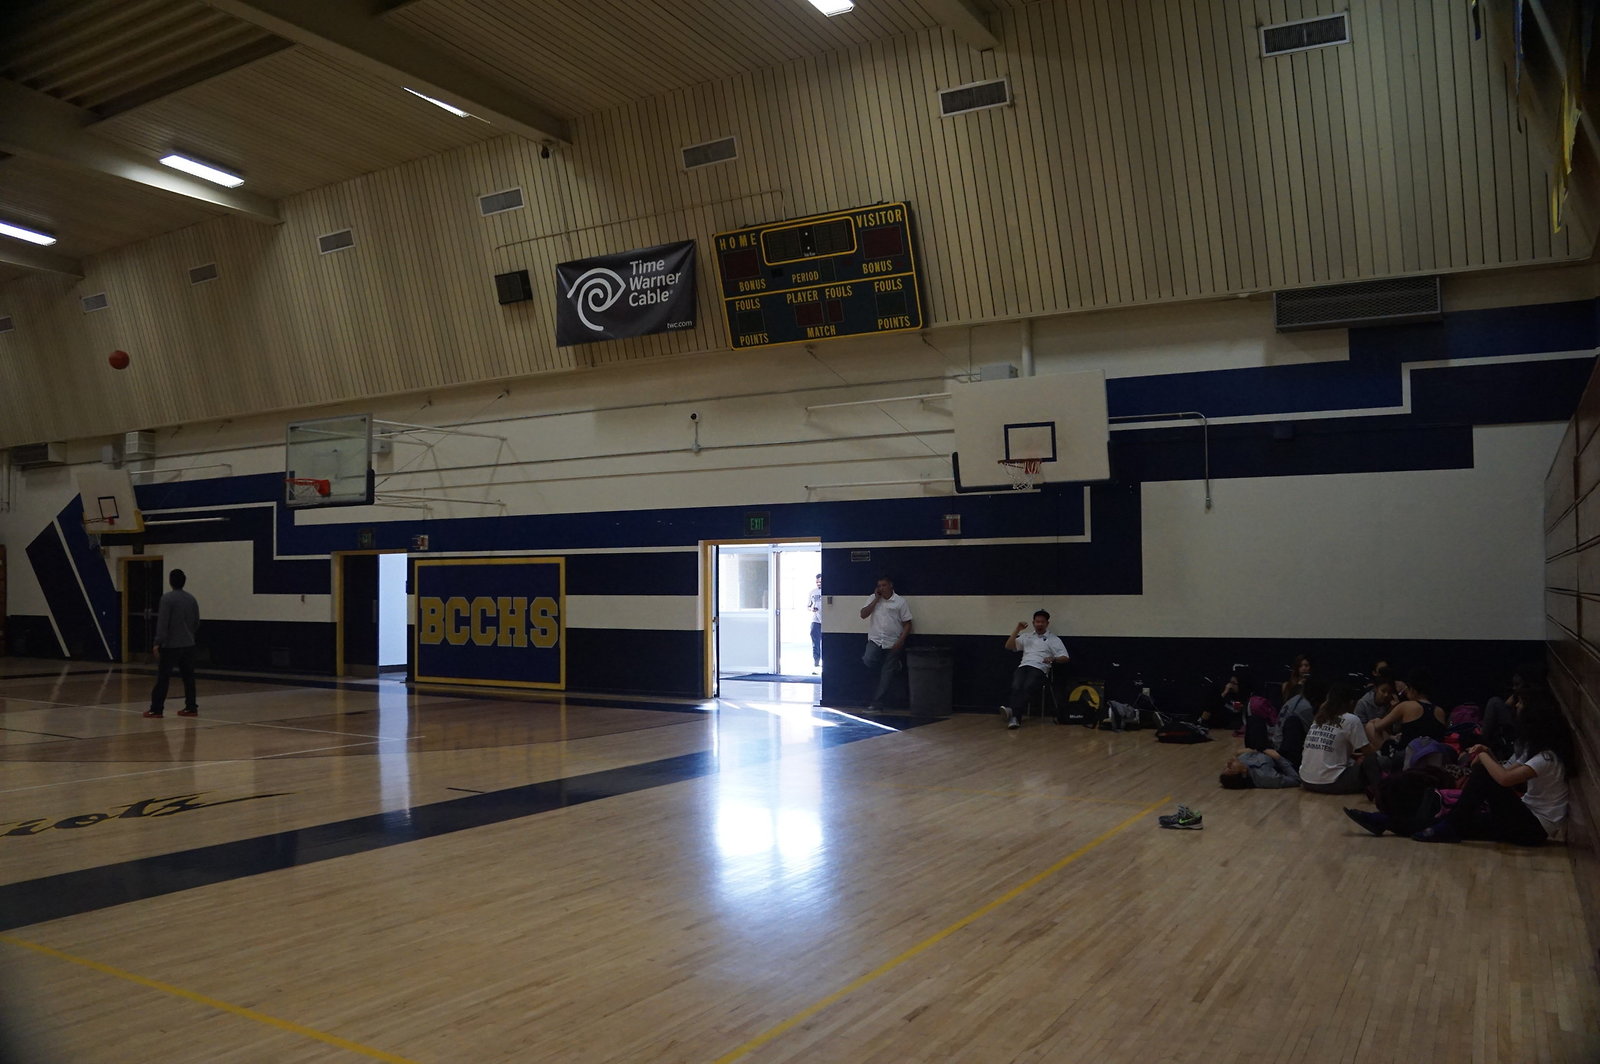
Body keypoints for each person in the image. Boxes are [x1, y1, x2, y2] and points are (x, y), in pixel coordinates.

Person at [1412, 690, 1574, 845]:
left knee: (1482, 773)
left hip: (1533, 829)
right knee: (1462, 822)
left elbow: (1505, 779)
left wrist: (1482, 756)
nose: (1516, 706)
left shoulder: (1547, 758)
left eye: (1521, 703)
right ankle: (1405, 823)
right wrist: (1488, 752)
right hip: (1526, 817)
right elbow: (1506, 772)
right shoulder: (1538, 751)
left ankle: (1448, 827)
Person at [144, 568, 200, 719]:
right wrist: (189, 635)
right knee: (189, 678)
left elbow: (163, 623)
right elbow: (196, 621)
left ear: (170, 581)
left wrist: (157, 642)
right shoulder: (191, 599)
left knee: (163, 677)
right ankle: (191, 707)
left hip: (171, 646)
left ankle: (156, 709)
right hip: (188, 644)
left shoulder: (167, 599)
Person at [999, 610, 1069, 729]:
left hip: (1040, 668)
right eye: (1037, 622)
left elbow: (1065, 658)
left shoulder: (1053, 639)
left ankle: (1014, 714)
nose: (1039, 624)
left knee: (1028, 686)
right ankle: (1014, 714)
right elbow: (1008, 646)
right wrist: (1017, 630)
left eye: (1042, 622)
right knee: (1016, 686)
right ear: (1033, 623)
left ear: (1047, 623)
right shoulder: (1027, 636)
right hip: (1024, 666)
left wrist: (1053, 658)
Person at [1298, 681, 1371, 794]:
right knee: (1376, 761)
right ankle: (1379, 793)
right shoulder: (1351, 719)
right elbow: (1369, 753)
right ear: (1351, 702)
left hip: (1306, 780)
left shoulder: (1319, 718)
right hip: (1332, 782)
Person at [859, 575, 912, 711]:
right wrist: (876, 599)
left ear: (890, 585)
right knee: (868, 659)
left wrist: (901, 640)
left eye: (884, 585)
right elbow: (863, 614)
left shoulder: (900, 602)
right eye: (879, 586)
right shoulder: (873, 598)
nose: (881, 588)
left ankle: (877, 701)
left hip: (893, 640)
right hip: (876, 639)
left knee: (886, 673)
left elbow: (907, 623)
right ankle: (894, 665)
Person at [1365, 667, 1447, 753]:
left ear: (1412, 689)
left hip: (1407, 755)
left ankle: (1379, 757)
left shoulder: (1406, 706)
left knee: (1370, 725)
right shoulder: (1440, 711)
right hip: (1433, 755)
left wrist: (1376, 720)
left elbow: (1378, 727)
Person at [1218, 747, 1301, 789]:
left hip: (1268, 747)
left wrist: (1253, 750)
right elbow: (1296, 780)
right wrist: (1278, 758)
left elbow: (1251, 750)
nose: (1229, 763)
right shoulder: (1266, 777)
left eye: (1225, 767)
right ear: (1243, 773)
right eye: (1230, 767)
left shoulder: (1241, 761)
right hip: (1287, 756)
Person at [808, 573, 823, 673]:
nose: (818, 584)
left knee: (824, 642)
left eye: (820, 582)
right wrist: (812, 609)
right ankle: (816, 661)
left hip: (825, 620)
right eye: (817, 582)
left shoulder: (827, 592)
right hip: (815, 619)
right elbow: (808, 606)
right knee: (815, 641)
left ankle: (825, 660)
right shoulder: (812, 592)